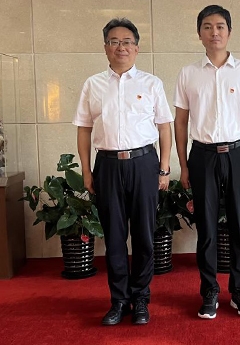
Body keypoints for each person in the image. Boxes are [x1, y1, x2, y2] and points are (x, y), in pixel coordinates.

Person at [73, 18, 173, 326]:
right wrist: (86, 171)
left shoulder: (152, 83)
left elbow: (164, 127)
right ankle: (119, 300)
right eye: (114, 42)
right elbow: (84, 128)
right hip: (107, 165)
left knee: (143, 236)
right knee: (114, 237)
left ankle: (140, 298)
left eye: (127, 42)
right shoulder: (93, 84)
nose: (121, 47)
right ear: (105, 47)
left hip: (144, 164)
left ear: (137, 48)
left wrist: (164, 168)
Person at [174, 5, 240, 319]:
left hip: (239, 155)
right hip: (202, 155)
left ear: (229, 32)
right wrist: (183, 164)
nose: (215, 32)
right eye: (208, 27)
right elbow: (181, 121)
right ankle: (209, 292)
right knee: (207, 228)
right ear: (199, 33)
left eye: (220, 26)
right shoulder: (188, 73)